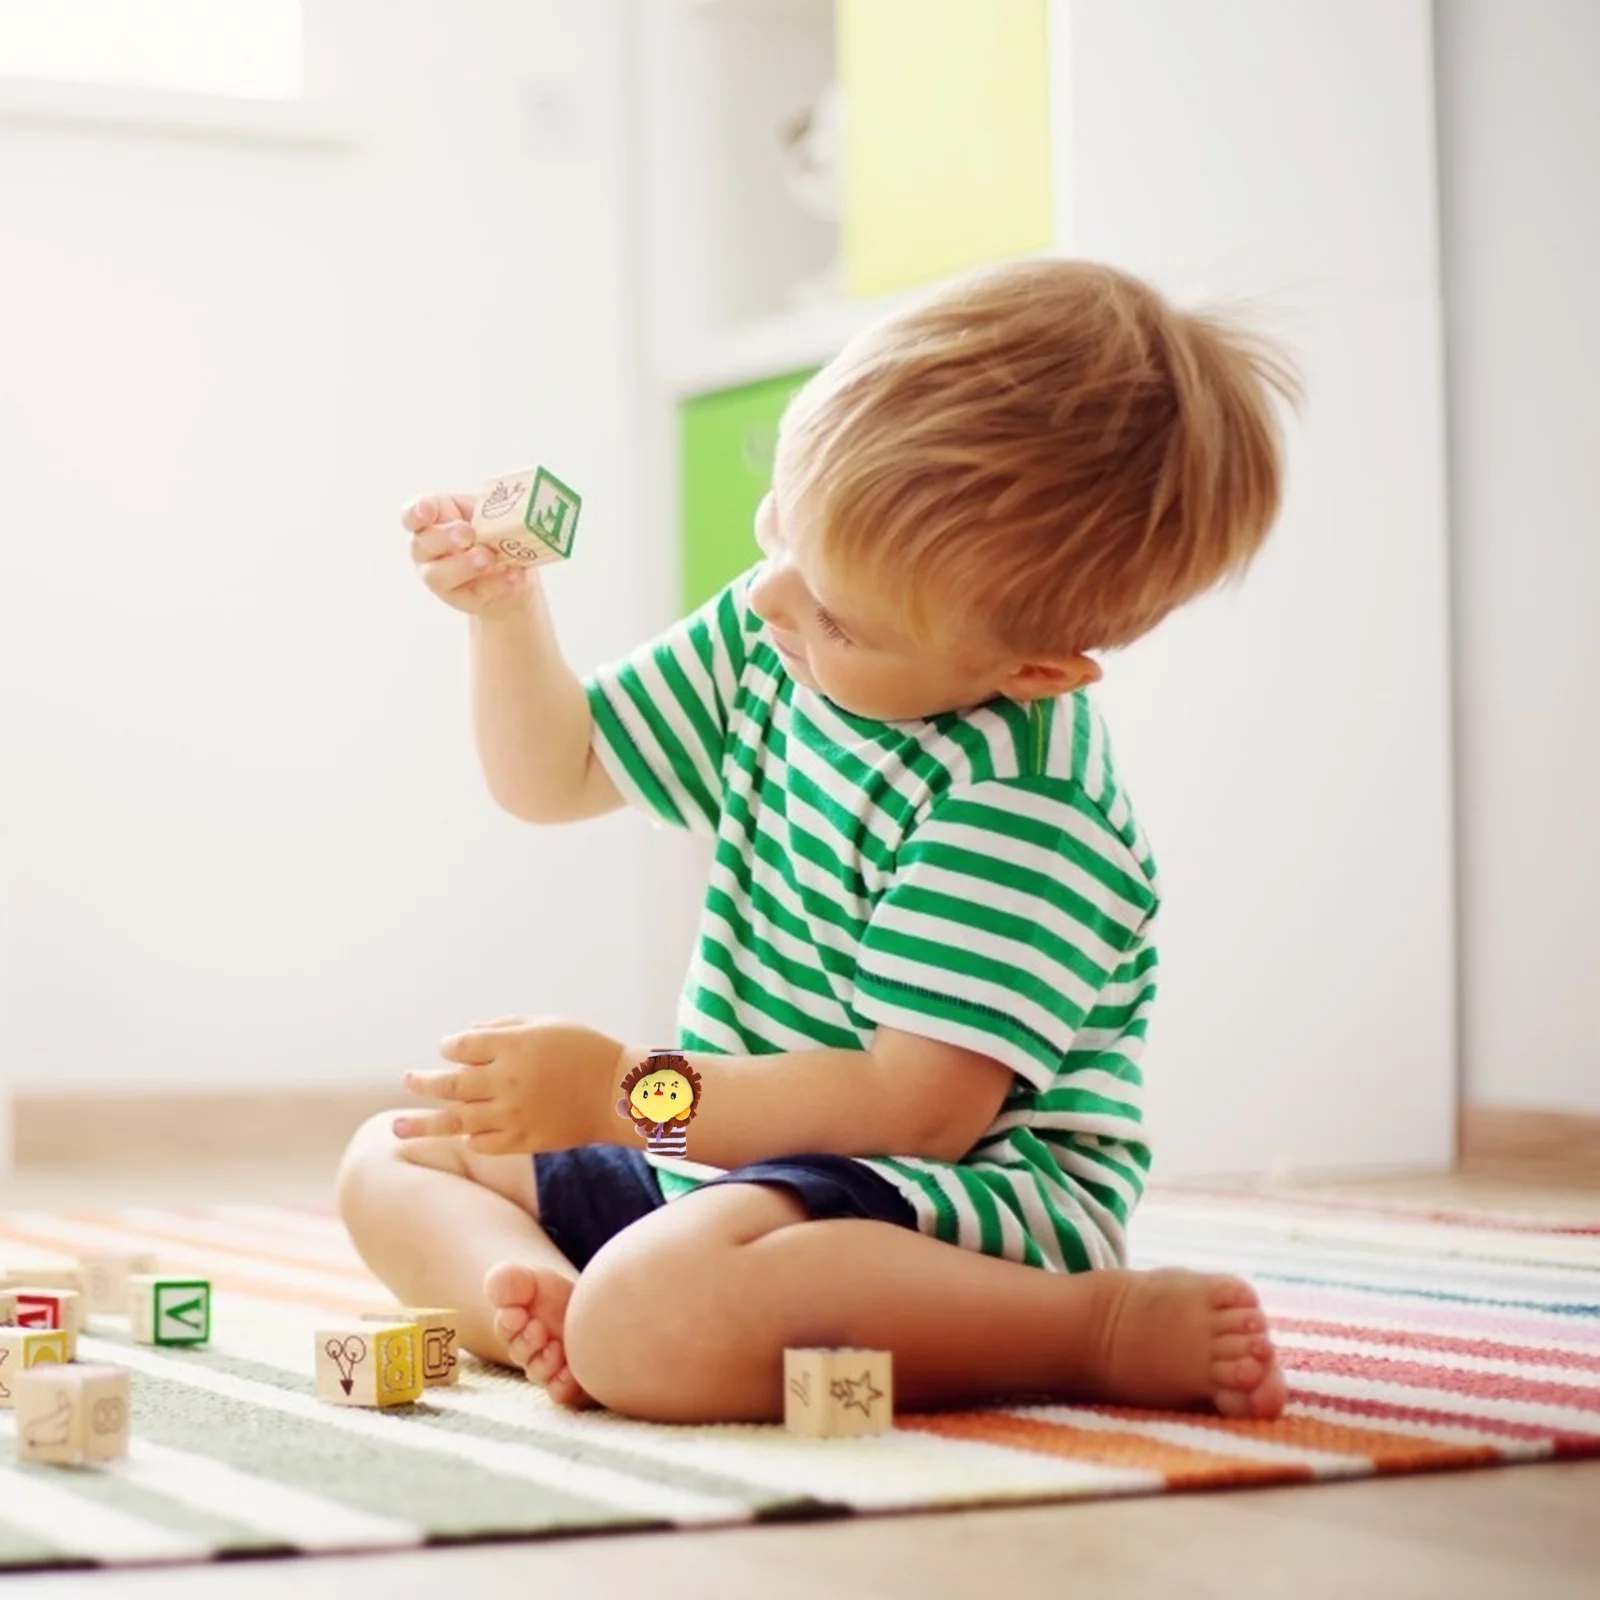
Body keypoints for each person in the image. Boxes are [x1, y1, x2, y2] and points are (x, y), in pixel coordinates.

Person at [338, 259, 1297, 1425]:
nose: (771, 602)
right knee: (396, 1152)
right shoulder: (782, 629)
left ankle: (1090, 1326)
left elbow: (910, 1113)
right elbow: (560, 773)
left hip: (947, 1208)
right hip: (725, 1168)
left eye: (836, 614)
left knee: (662, 1298)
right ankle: (560, 1310)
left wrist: (622, 1094)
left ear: (1032, 670)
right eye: (780, 522)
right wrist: (504, 617)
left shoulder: (1021, 802)